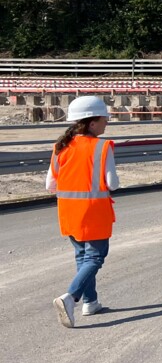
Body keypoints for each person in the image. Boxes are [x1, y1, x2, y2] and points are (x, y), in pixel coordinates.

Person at [48, 95, 118, 328]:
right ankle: (71, 297)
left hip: (68, 211)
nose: (106, 122)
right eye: (104, 119)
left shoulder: (60, 146)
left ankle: (91, 302)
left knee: (82, 257)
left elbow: (50, 185)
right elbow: (112, 183)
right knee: (95, 257)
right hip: (94, 212)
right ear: (91, 123)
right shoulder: (102, 146)